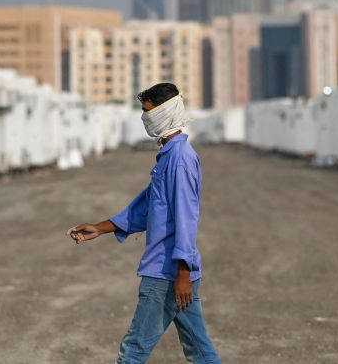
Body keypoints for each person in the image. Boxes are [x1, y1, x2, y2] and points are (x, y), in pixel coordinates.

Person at [67, 82, 222, 364]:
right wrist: (100, 228)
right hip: (175, 273)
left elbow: (186, 218)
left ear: (166, 113)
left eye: (149, 112)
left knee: (134, 351)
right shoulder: (169, 156)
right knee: (200, 351)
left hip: (167, 273)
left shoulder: (179, 159)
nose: (145, 119)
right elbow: (148, 206)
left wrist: (183, 273)